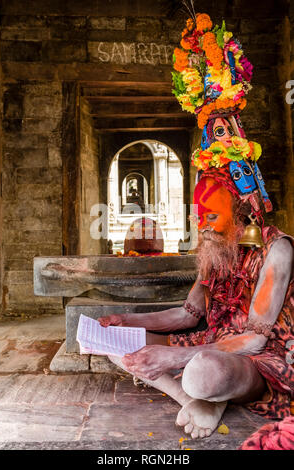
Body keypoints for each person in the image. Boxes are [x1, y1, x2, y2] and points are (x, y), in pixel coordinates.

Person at [97, 12, 294, 439]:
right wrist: (127, 321)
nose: (201, 226)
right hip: (211, 345)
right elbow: (187, 315)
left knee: (203, 371)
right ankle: (194, 402)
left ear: (242, 211)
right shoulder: (215, 249)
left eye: (211, 217)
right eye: (198, 217)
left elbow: (255, 341)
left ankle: (200, 393)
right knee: (114, 346)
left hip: (251, 363)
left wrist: (171, 360)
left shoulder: (276, 250)